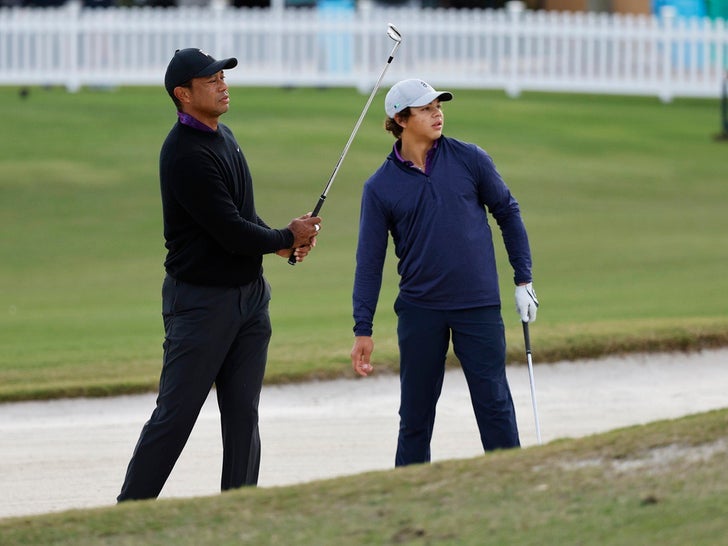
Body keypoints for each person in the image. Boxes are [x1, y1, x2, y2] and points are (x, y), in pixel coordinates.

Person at [117, 48, 321, 502]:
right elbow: (229, 230)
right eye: (210, 80)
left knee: (243, 415)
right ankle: (128, 511)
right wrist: (284, 235)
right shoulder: (184, 154)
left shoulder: (223, 137)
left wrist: (283, 241)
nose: (223, 84)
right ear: (183, 94)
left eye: (222, 77)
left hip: (249, 299)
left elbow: (240, 217)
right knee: (176, 416)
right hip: (201, 304)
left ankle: (239, 510)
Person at [350, 78, 539, 467]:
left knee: (494, 404)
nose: (437, 113)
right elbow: (369, 261)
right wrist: (362, 328)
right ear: (400, 119)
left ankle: (512, 482)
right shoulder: (380, 186)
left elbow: (508, 212)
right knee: (415, 414)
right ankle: (411, 491)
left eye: (439, 105)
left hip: (478, 305)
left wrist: (524, 280)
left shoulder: (470, 159)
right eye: (426, 108)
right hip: (421, 310)